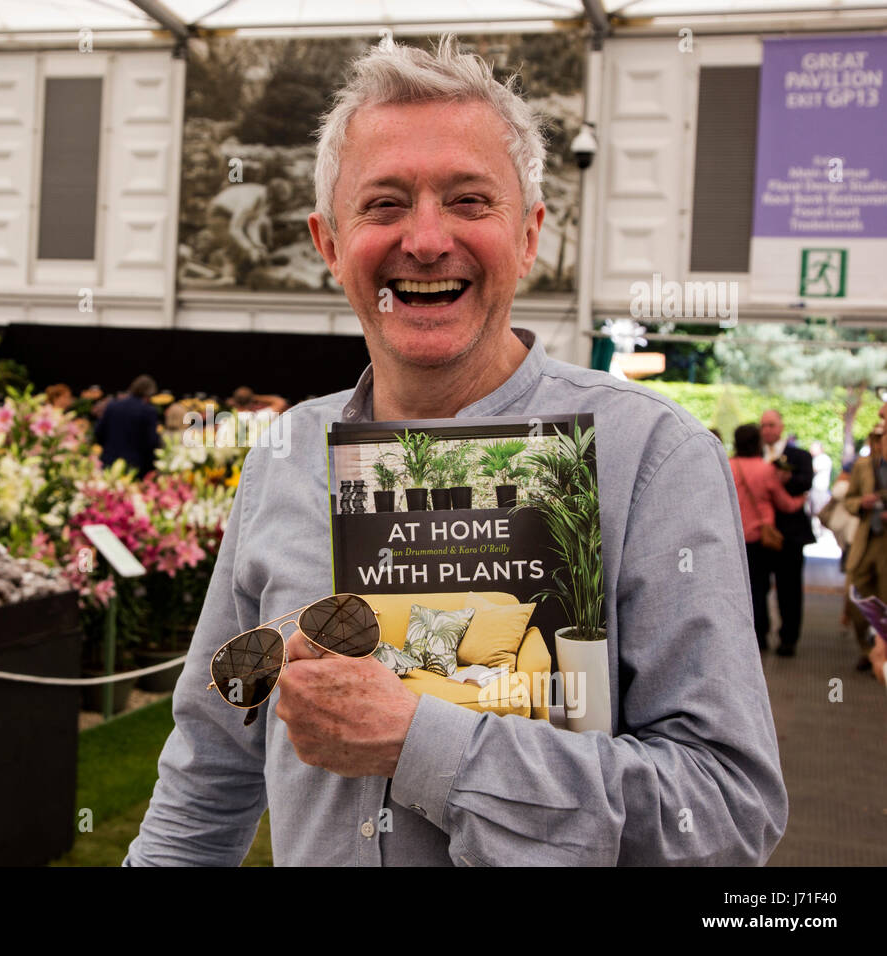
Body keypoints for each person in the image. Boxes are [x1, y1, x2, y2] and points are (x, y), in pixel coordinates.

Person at [125, 36, 786, 867]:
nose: (427, 239)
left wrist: (422, 743)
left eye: (471, 200)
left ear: (530, 234)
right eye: (385, 204)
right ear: (329, 243)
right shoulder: (286, 453)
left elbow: (723, 815)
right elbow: (210, 766)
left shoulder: (651, 456)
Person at [730, 424, 809, 654]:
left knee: (752, 589)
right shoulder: (765, 470)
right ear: (758, 443)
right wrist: (801, 501)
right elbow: (784, 503)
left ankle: (758, 636)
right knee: (780, 588)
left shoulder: (727, 466)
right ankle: (784, 639)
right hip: (762, 536)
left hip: (738, 537)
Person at [757, 410, 815, 654]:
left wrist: (785, 480)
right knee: (757, 587)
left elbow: (806, 482)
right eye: (763, 426)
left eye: (771, 425)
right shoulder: (753, 456)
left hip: (790, 534)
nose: (767, 430)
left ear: (781, 426)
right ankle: (760, 635)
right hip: (759, 533)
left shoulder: (799, 455)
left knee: (790, 590)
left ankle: (789, 639)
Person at [841, 425, 887, 672]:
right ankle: (868, 651)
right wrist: (862, 502)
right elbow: (849, 500)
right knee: (857, 594)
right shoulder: (864, 465)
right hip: (868, 537)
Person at [94, 375, 161, 478]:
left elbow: (98, 432)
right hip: (134, 467)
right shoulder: (148, 411)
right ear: (149, 393)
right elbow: (151, 442)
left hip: (108, 461)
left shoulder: (113, 406)